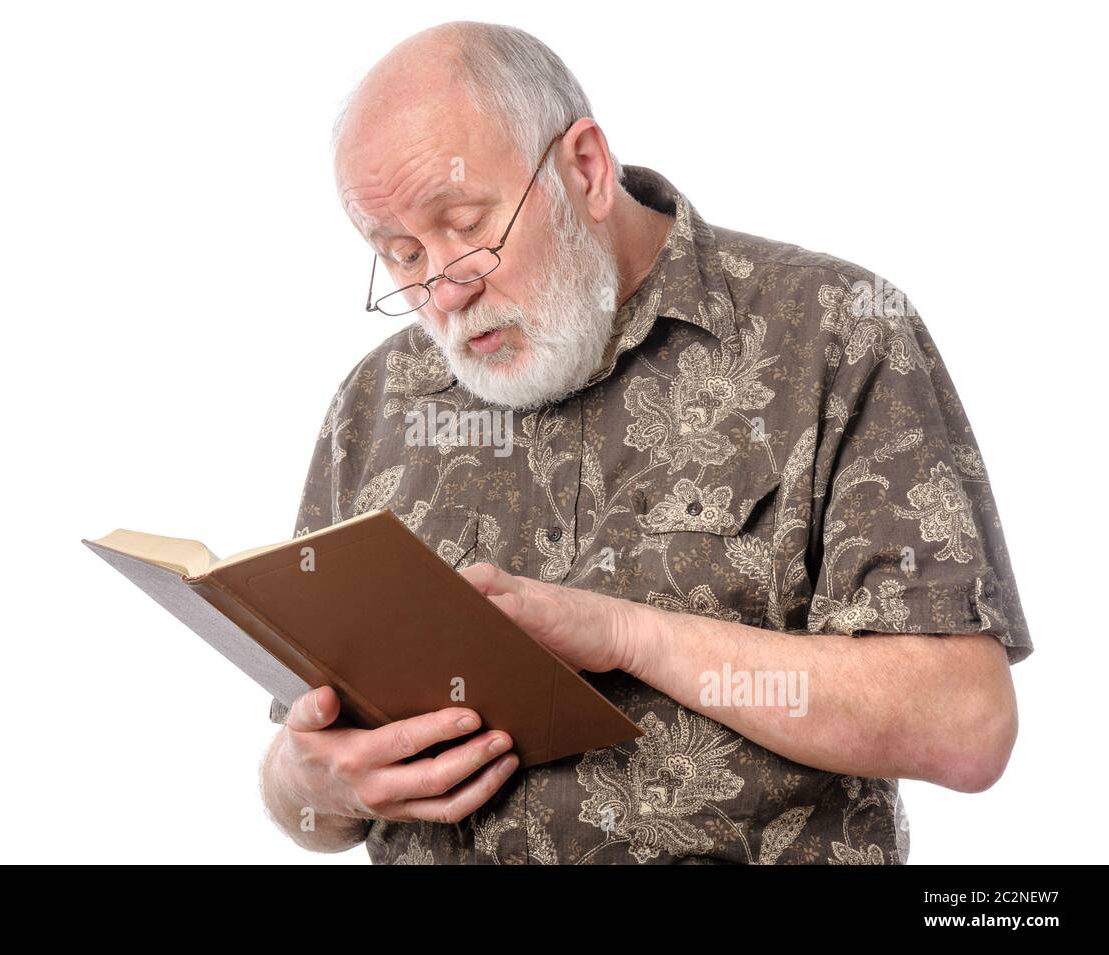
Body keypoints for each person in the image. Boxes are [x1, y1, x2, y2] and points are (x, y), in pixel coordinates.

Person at [257, 20, 1030, 865]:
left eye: (466, 224)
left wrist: (628, 635)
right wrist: (308, 784)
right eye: (401, 253)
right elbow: (310, 782)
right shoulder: (378, 402)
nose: (443, 289)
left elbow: (966, 726)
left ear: (584, 168)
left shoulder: (836, 331)